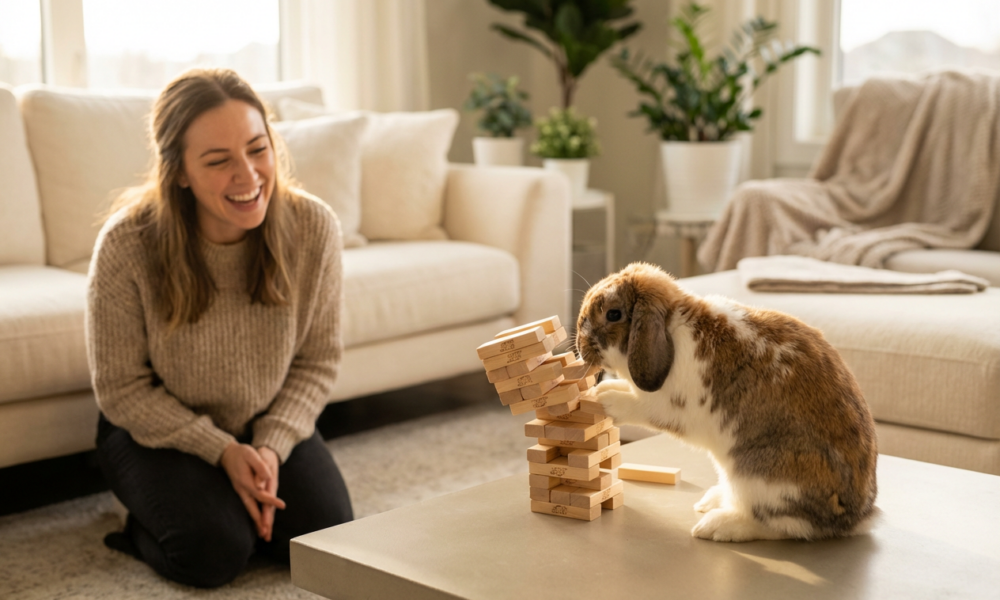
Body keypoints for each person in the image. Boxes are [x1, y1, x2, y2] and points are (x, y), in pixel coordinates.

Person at [86, 68, 353, 588]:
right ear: (180, 172)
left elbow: (318, 361)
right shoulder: (126, 244)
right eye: (218, 161)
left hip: (260, 420)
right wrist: (222, 451)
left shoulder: (314, 227)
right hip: (151, 429)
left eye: (257, 149)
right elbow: (121, 389)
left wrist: (270, 447)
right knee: (213, 553)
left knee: (326, 538)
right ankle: (138, 526)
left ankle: (230, 502)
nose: (248, 175)